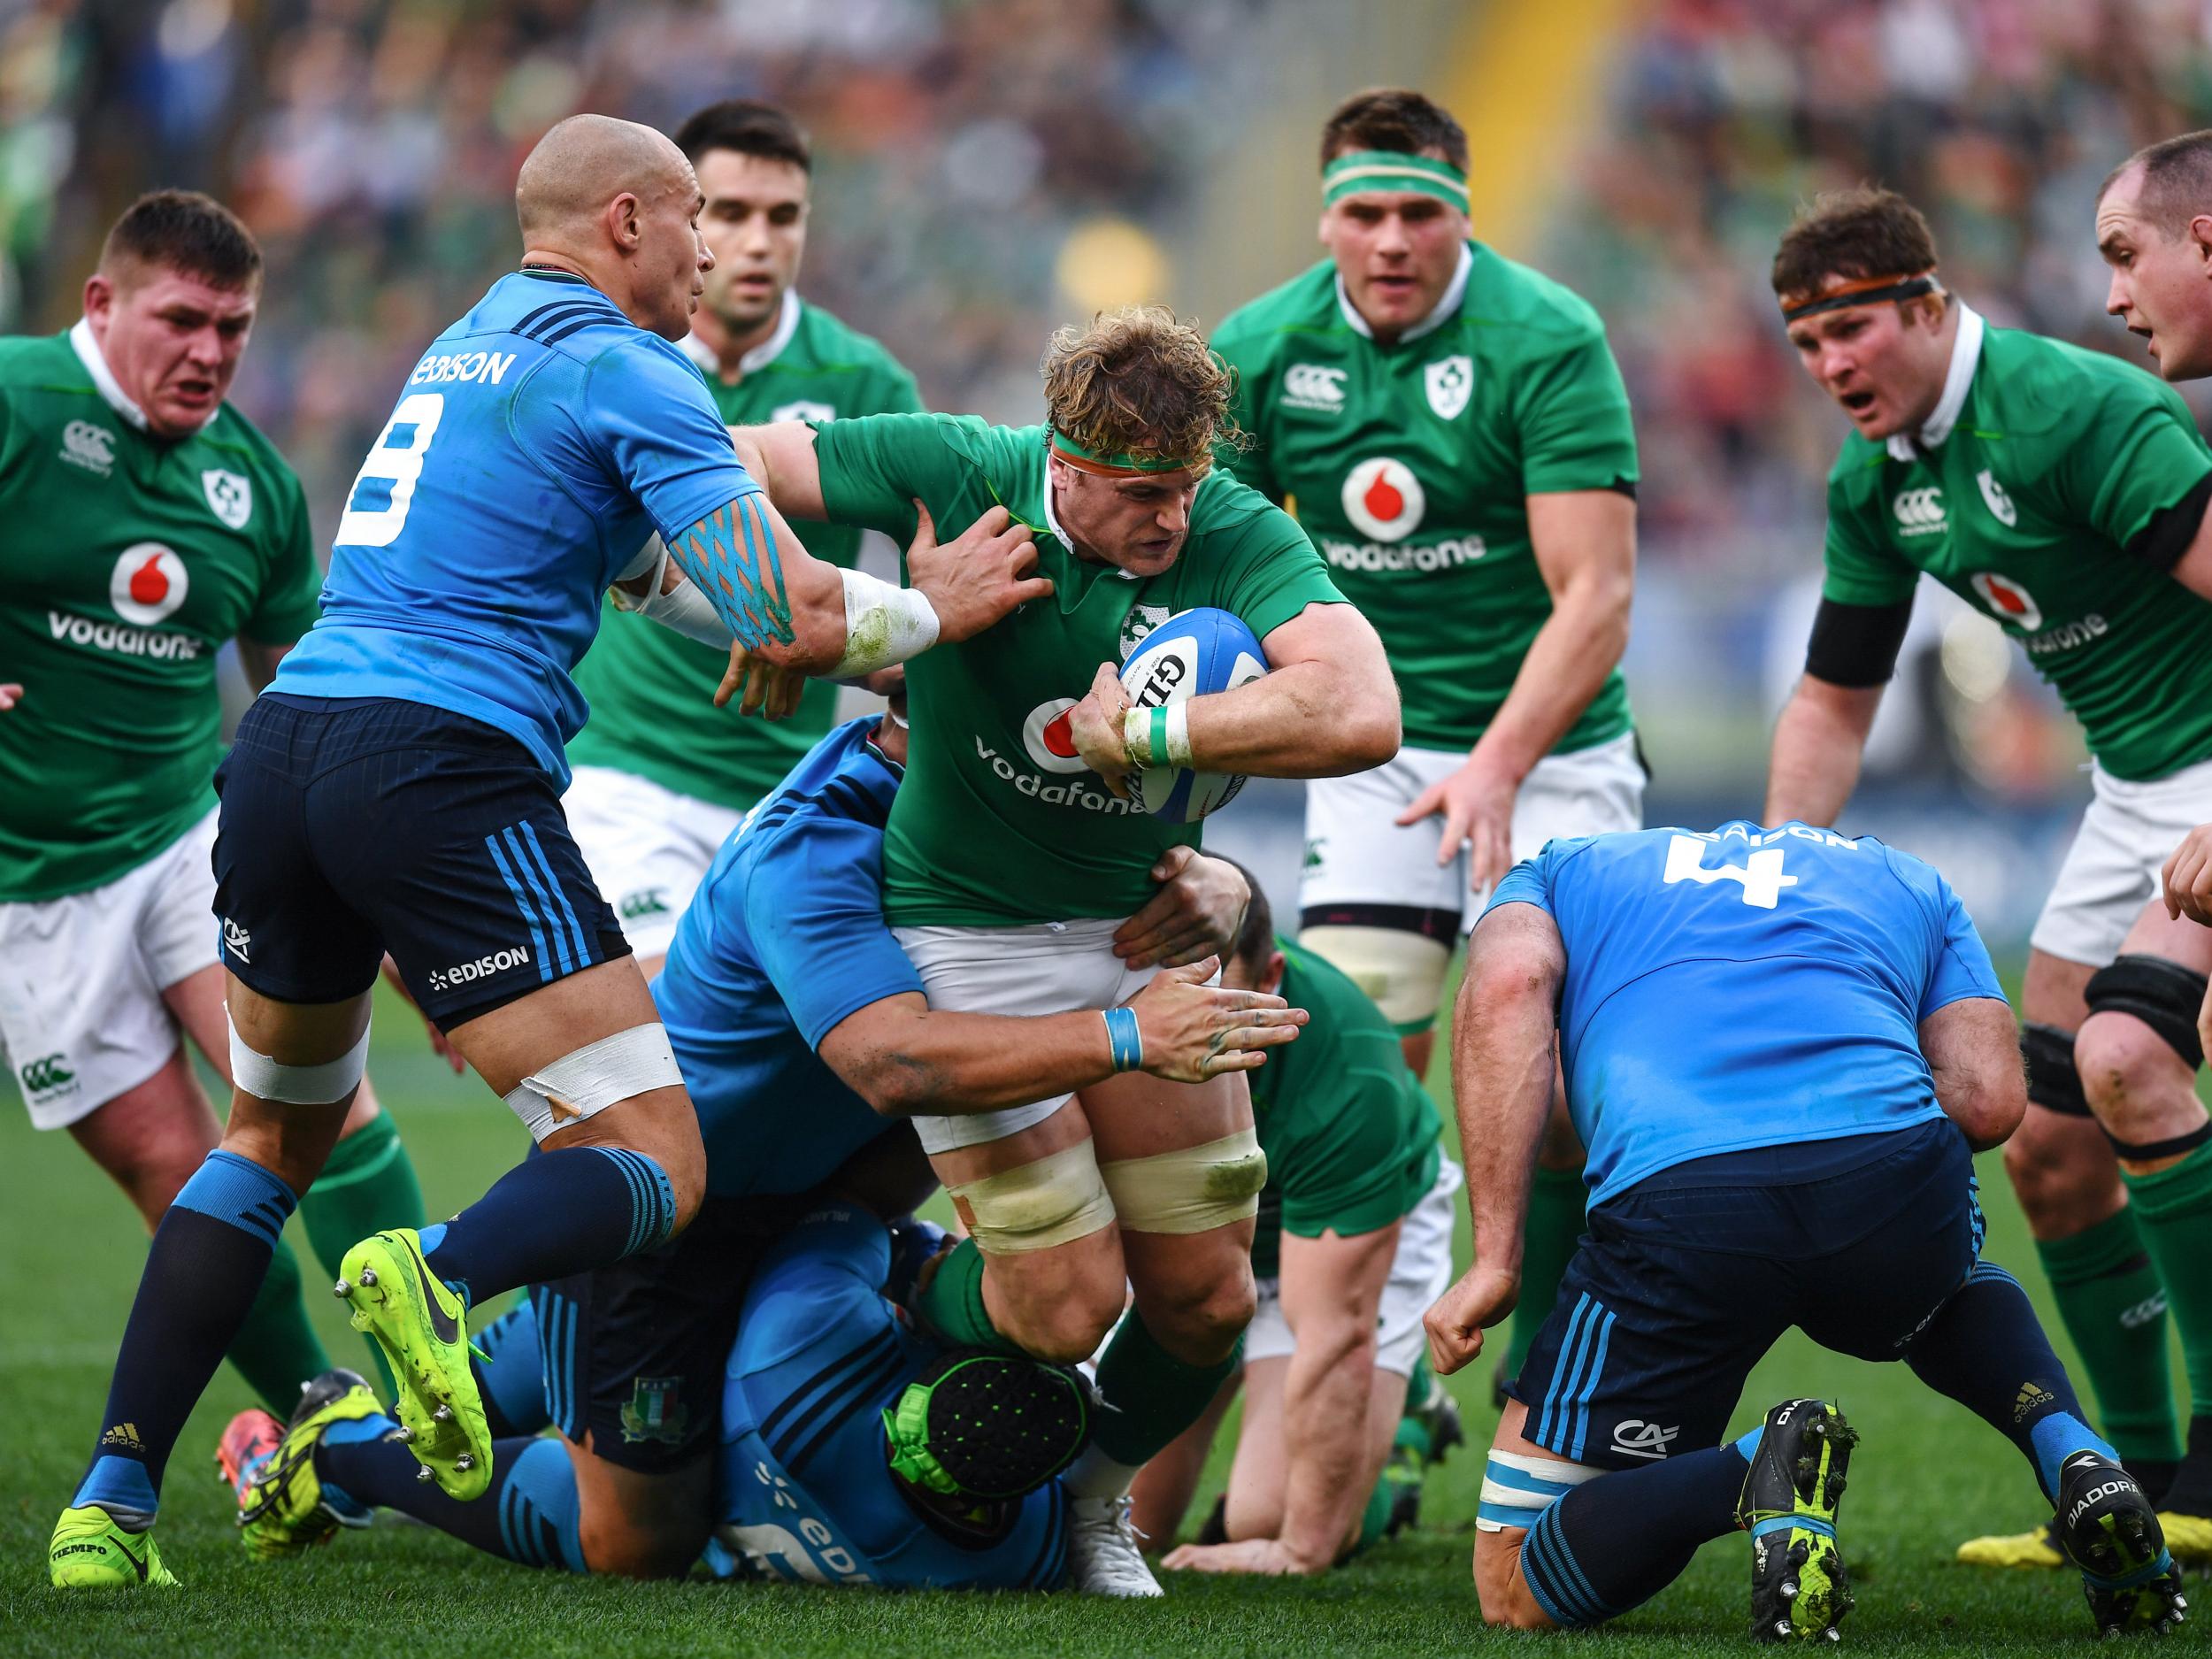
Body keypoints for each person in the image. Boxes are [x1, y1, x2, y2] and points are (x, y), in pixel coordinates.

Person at [49, 114, 1044, 1590]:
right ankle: (434, 1279)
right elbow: (793, 617)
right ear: (630, 222)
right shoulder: (633, 367)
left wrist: (803, 620)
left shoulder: (468, 346)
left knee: (266, 1139)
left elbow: (664, 584)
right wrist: (934, 613)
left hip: (281, 753)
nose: (711, 248)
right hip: (437, 762)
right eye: (697, 214)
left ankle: (106, 1504)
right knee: (656, 1158)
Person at [224, 680, 1294, 1581]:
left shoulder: (1013, 826)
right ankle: (347, 1445)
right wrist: (1121, 1035)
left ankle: (1034, 1457)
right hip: (667, 1209)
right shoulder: (817, 845)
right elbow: (894, 1058)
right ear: (942, 714)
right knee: (636, 1541)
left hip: (832, 1198)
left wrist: (1222, 879)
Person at [726, 304, 1399, 1593]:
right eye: (1143, 492)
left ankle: (1096, 1498)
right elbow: (727, 458)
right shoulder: (954, 466)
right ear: (1065, 464)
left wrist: (1151, 739)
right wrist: (800, 604)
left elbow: (1363, 706)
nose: (1173, 518)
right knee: (1064, 1303)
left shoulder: (1236, 528)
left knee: (1204, 1297)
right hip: (966, 933)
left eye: (1189, 487)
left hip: (1144, 934)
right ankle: (907, 1301)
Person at [1424, 822, 2185, 1640]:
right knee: (1944, 1285)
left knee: (1510, 1578)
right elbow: (1989, 1100)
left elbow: (1507, 985)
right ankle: (2071, 1447)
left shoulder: (1561, 867)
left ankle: (1755, 1472)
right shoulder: (1908, 872)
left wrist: (1497, 1257)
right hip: (1889, 1176)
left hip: (1683, 1199)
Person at [1763, 184, 2212, 1567]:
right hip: (2131, 792)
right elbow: (1835, 702)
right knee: (2049, 1142)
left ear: (1926, 302)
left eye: (1851, 330)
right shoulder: (1874, 480)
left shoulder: (2077, 410)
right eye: (1805, 344)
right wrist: (1774, 883)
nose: (1832, 366)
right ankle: (2143, 1480)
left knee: (2132, 1062)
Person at [1210, 87, 1640, 1394]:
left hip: (1551, 748)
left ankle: (1551, 1380)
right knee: (1366, 1068)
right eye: (1364, 213)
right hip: (1375, 751)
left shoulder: (1548, 335)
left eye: (1418, 214)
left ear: (1461, 212)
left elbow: (1598, 595)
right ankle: (1381, 1396)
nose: (1391, 241)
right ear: (1327, 218)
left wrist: (1501, 760)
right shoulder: (1261, 346)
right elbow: (1203, 550)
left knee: (1557, 1091)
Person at [0, 190, 425, 1429]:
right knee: (171, 1171)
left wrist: (384, 899)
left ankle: (458, 1395)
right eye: (181, 320)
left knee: (325, 1102)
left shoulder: (251, 480)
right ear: (101, 303)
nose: (210, 353)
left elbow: (313, 694)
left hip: (192, 836)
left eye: (233, 328)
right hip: (26, 890)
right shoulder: (18, 404)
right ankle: (323, 1413)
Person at [565, 99, 924, 975]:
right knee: (659, 1048)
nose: (759, 241)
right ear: (680, 222)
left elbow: (935, 586)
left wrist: (798, 622)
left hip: (789, 790)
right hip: (624, 773)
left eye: (783, 216)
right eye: (729, 213)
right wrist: (760, 603)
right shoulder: (606, 361)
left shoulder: (866, 379)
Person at [1127, 876, 1462, 1576]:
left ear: (1272, 975)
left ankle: (1400, 1430)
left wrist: (1300, 1550)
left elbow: (1334, 1331)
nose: (1181, 1017)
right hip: (1204, 1218)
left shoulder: (1349, 1071)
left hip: (1343, 1239)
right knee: (1129, 1524)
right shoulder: (1095, 1005)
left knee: (1273, 1516)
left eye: (1215, 986)